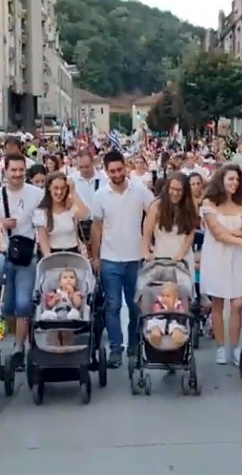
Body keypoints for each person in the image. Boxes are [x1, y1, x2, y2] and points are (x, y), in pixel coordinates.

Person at [88, 150, 153, 368]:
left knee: (135, 307)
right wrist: (94, 257)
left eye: (120, 169)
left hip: (135, 259)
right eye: (112, 171)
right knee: (113, 306)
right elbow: (96, 228)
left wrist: (150, 244)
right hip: (110, 259)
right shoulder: (100, 195)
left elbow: (153, 213)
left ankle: (134, 346)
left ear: (125, 167)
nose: (117, 174)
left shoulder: (140, 190)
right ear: (106, 172)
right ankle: (116, 349)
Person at [0, 153, 44, 368]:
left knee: (24, 304)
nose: (17, 174)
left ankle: (18, 348)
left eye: (21, 170)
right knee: (4, 307)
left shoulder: (37, 194)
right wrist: (1, 223)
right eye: (13, 170)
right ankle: (4, 340)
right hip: (2, 254)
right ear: (5, 171)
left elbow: (42, 223)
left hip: (27, 255)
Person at [199, 165, 242, 366]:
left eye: (237, 180)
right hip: (217, 256)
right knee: (218, 303)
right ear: (221, 180)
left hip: (236, 258)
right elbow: (217, 234)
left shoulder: (241, 204)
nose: (234, 183)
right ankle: (221, 347)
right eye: (231, 179)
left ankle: (235, 347)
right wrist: (239, 239)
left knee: (238, 304)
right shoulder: (209, 203)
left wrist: (235, 235)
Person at [142, 172, 198, 262]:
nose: (175, 193)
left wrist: (180, 255)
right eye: (172, 189)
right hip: (161, 257)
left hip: (183, 259)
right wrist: (146, 252)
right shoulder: (157, 206)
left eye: (179, 190)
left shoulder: (191, 207)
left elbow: (190, 234)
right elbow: (147, 232)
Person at [145, 281, 188, 348]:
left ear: (175, 297)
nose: (164, 298)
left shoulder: (178, 305)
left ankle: (177, 337)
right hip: (159, 321)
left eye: (168, 296)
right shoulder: (158, 304)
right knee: (155, 327)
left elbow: (182, 314)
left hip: (174, 322)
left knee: (178, 328)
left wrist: (172, 309)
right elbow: (155, 313)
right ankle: (155, 336)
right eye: (163, 295)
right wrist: (163, 310)